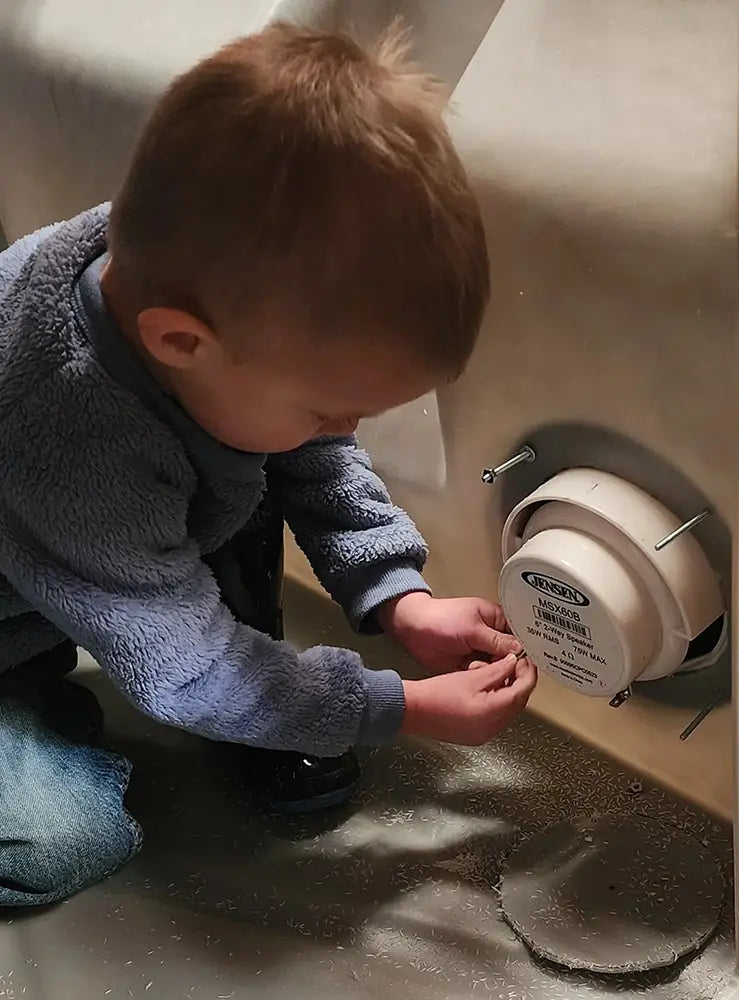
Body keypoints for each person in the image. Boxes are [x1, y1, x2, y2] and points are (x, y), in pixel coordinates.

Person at [0, 21, 537, 907]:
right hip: (30, 601)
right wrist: (397, 708)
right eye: (330, 407)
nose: (344, 428)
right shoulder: (71, 445)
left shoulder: (175, 272)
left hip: (63, 573)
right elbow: (187, 670)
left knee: (259, 450)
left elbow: (315, 455)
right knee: (67, 841)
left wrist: (399, 597)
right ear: (182, 342)